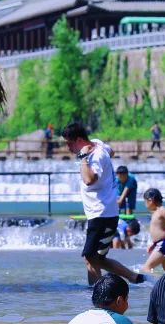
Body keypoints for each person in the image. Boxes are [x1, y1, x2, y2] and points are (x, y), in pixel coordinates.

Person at [62, 122, 145, 286]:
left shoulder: (96, 155)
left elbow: (89, 180)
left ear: (78, 140)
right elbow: (111, 151)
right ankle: (136, 278)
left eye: (69, 143)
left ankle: (96, 293)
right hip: (108, 213)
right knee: (99, 258)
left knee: (89, 257)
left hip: (100, 214)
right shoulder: (98, 144)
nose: (67, 147)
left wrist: (83, 158)